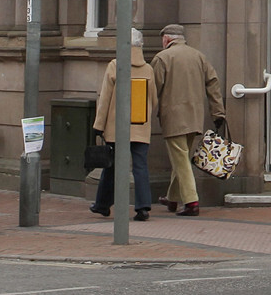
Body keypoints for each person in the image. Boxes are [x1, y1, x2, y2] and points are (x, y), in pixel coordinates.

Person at [148, 23, 225, 216]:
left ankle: (191, 202)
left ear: (166, 39)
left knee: (180, 159)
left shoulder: (162, 58)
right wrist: (218, 113)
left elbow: (152, 91)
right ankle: (172, 198)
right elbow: (213, 84)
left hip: (173, 117)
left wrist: (141, 116)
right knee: (181, 156)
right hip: (195, 116)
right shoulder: (199, 56)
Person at [91, 28, 157, 222]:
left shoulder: (115, 66)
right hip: (140, 125)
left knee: (111, 167)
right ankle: (143, 206)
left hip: (116, 126)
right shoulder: (148, 69)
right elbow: (153, 100)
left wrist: (99, 125)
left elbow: (105, 99)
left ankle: (102, 204)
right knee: (140, 166)